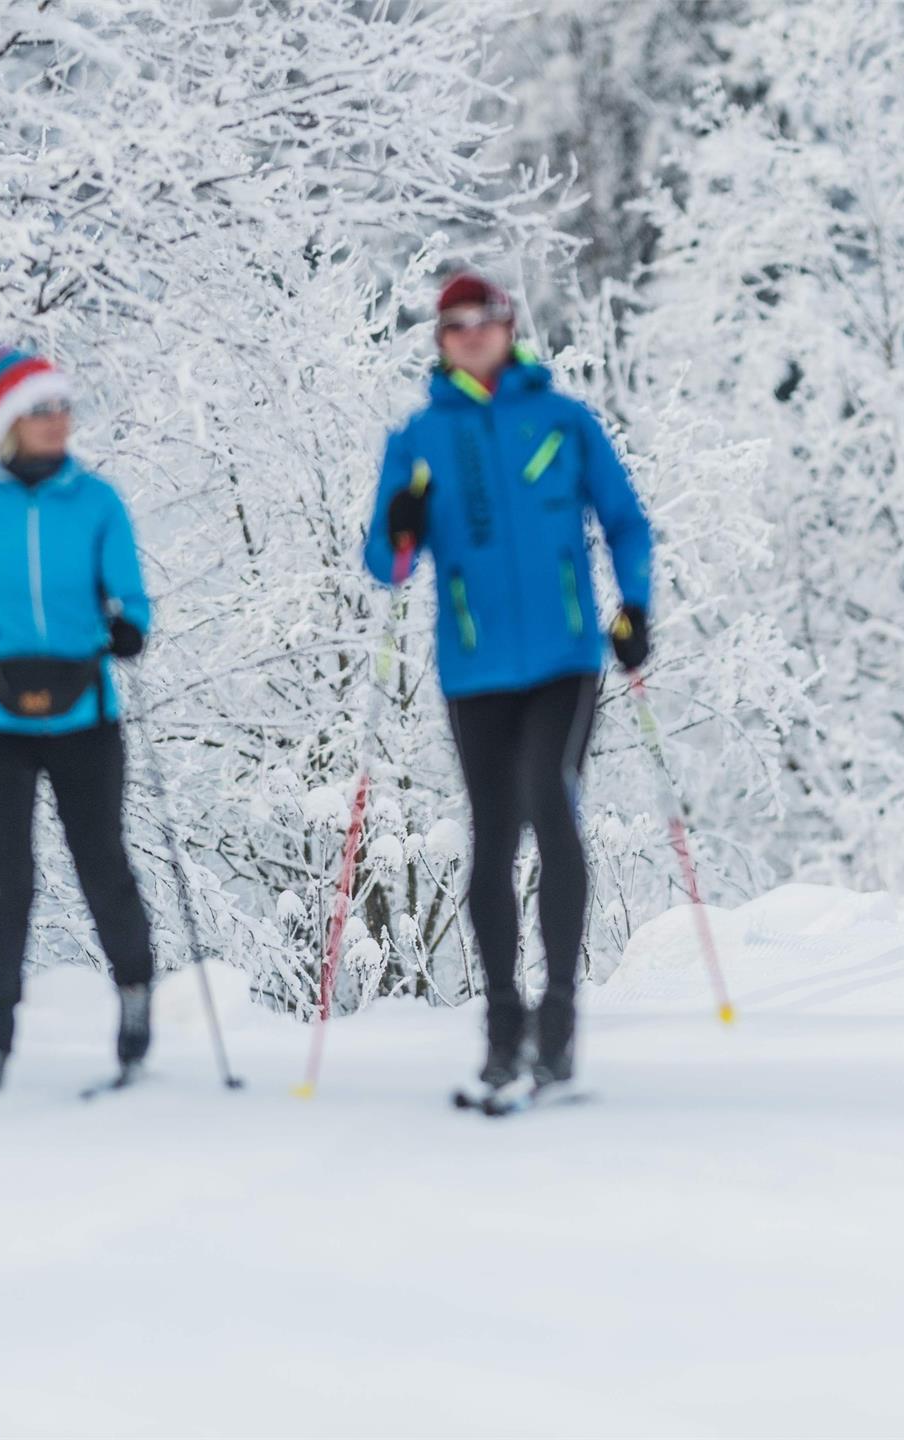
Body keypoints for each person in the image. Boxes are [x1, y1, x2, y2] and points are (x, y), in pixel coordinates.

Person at [364, 273, 652, 1100]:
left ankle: (557, 1024)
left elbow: (624, 520)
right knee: (491, 834)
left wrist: (633, 609)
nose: (470, 336)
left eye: (481, 322)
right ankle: (502, 1028)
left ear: (507, 327)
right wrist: (400, 527)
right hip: (474, 665)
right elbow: (384, 564)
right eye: (452, 326)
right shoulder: (420, 438)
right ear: (440, 341)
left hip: (564, 660)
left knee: (550, 804)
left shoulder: (562, 420)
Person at [0, 347, 155, 1095]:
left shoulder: (98, 502)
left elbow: (132, 595)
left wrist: (129, 628)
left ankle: (135, 998)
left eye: (63, 408)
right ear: (11, 423)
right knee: (5, 876)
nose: (60, 421)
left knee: (101, 862)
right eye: (43, 410)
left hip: (87, 712)